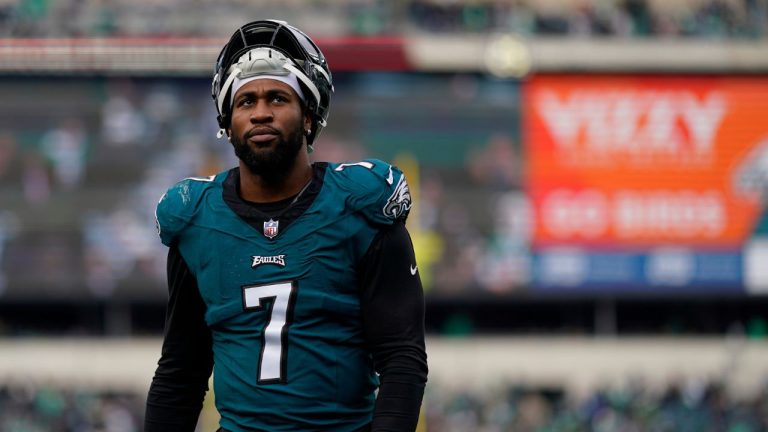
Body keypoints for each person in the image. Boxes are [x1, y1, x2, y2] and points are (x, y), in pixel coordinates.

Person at [145, 20, 428, 432]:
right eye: (246, 101)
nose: (261, 113)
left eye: (277, 98)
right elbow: (181, 372)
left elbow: (401, 359)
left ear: (309, 115)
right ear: (227, 122)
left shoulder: (359, 208)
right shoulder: (196, 219)